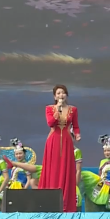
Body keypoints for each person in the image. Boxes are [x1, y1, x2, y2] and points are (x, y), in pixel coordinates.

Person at [40, 84, 81, 212]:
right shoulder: (49, 108)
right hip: (53, 141)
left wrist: (77, 134)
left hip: (67, 141)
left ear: (66, 95)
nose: (61, 95)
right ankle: (51, 201)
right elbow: (50, 123)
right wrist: (57, 110)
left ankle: (65, 203)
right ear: (55, 97)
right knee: (53, 169)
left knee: (66, 169)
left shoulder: (73, 109)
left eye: (63, 93)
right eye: (58, 93)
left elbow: (75, 126)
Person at [80, 135, 110, 211]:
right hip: (101, 182)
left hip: (109, 185)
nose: (106, 153)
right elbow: (100, 174)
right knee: (84, 175)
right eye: (105, 151)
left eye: (108, 150)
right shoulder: (102, 161)